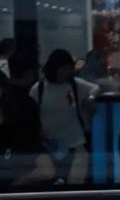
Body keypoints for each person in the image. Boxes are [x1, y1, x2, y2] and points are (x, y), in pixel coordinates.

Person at [31, 48, 97, 184]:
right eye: (63, 68)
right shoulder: (39, 89)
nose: (66, 72)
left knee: (71, 181)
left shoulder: (74, 85)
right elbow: (30, 112)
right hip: (48, 144)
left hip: (73, 143)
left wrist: (91, 98)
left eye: (68, 68)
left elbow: (95, 88)